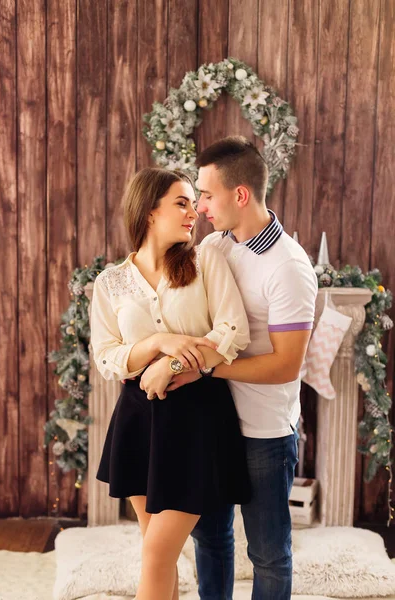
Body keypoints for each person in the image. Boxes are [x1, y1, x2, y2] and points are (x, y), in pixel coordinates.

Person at [143, 136, 318, 599]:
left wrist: (201, 369)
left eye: (205, 194)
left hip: (264, 431)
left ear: (239, 195)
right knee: (211, 539)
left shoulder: (289, 268)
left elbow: (285, 365)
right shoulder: (216, 246)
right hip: (213, 423)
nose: (199, 207)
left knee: (267, 553)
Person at [90, 167, 252, 600]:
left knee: (158, 553)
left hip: (197, 417)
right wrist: (159, 342)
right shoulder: (110, 282)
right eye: (181, 202)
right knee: (155, 552)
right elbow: (107, 356)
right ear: (148, 212)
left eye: (192, 202)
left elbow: (232, 331)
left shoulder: (204, 261)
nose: (193, 212)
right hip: (138, 417)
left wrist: (173, 367)